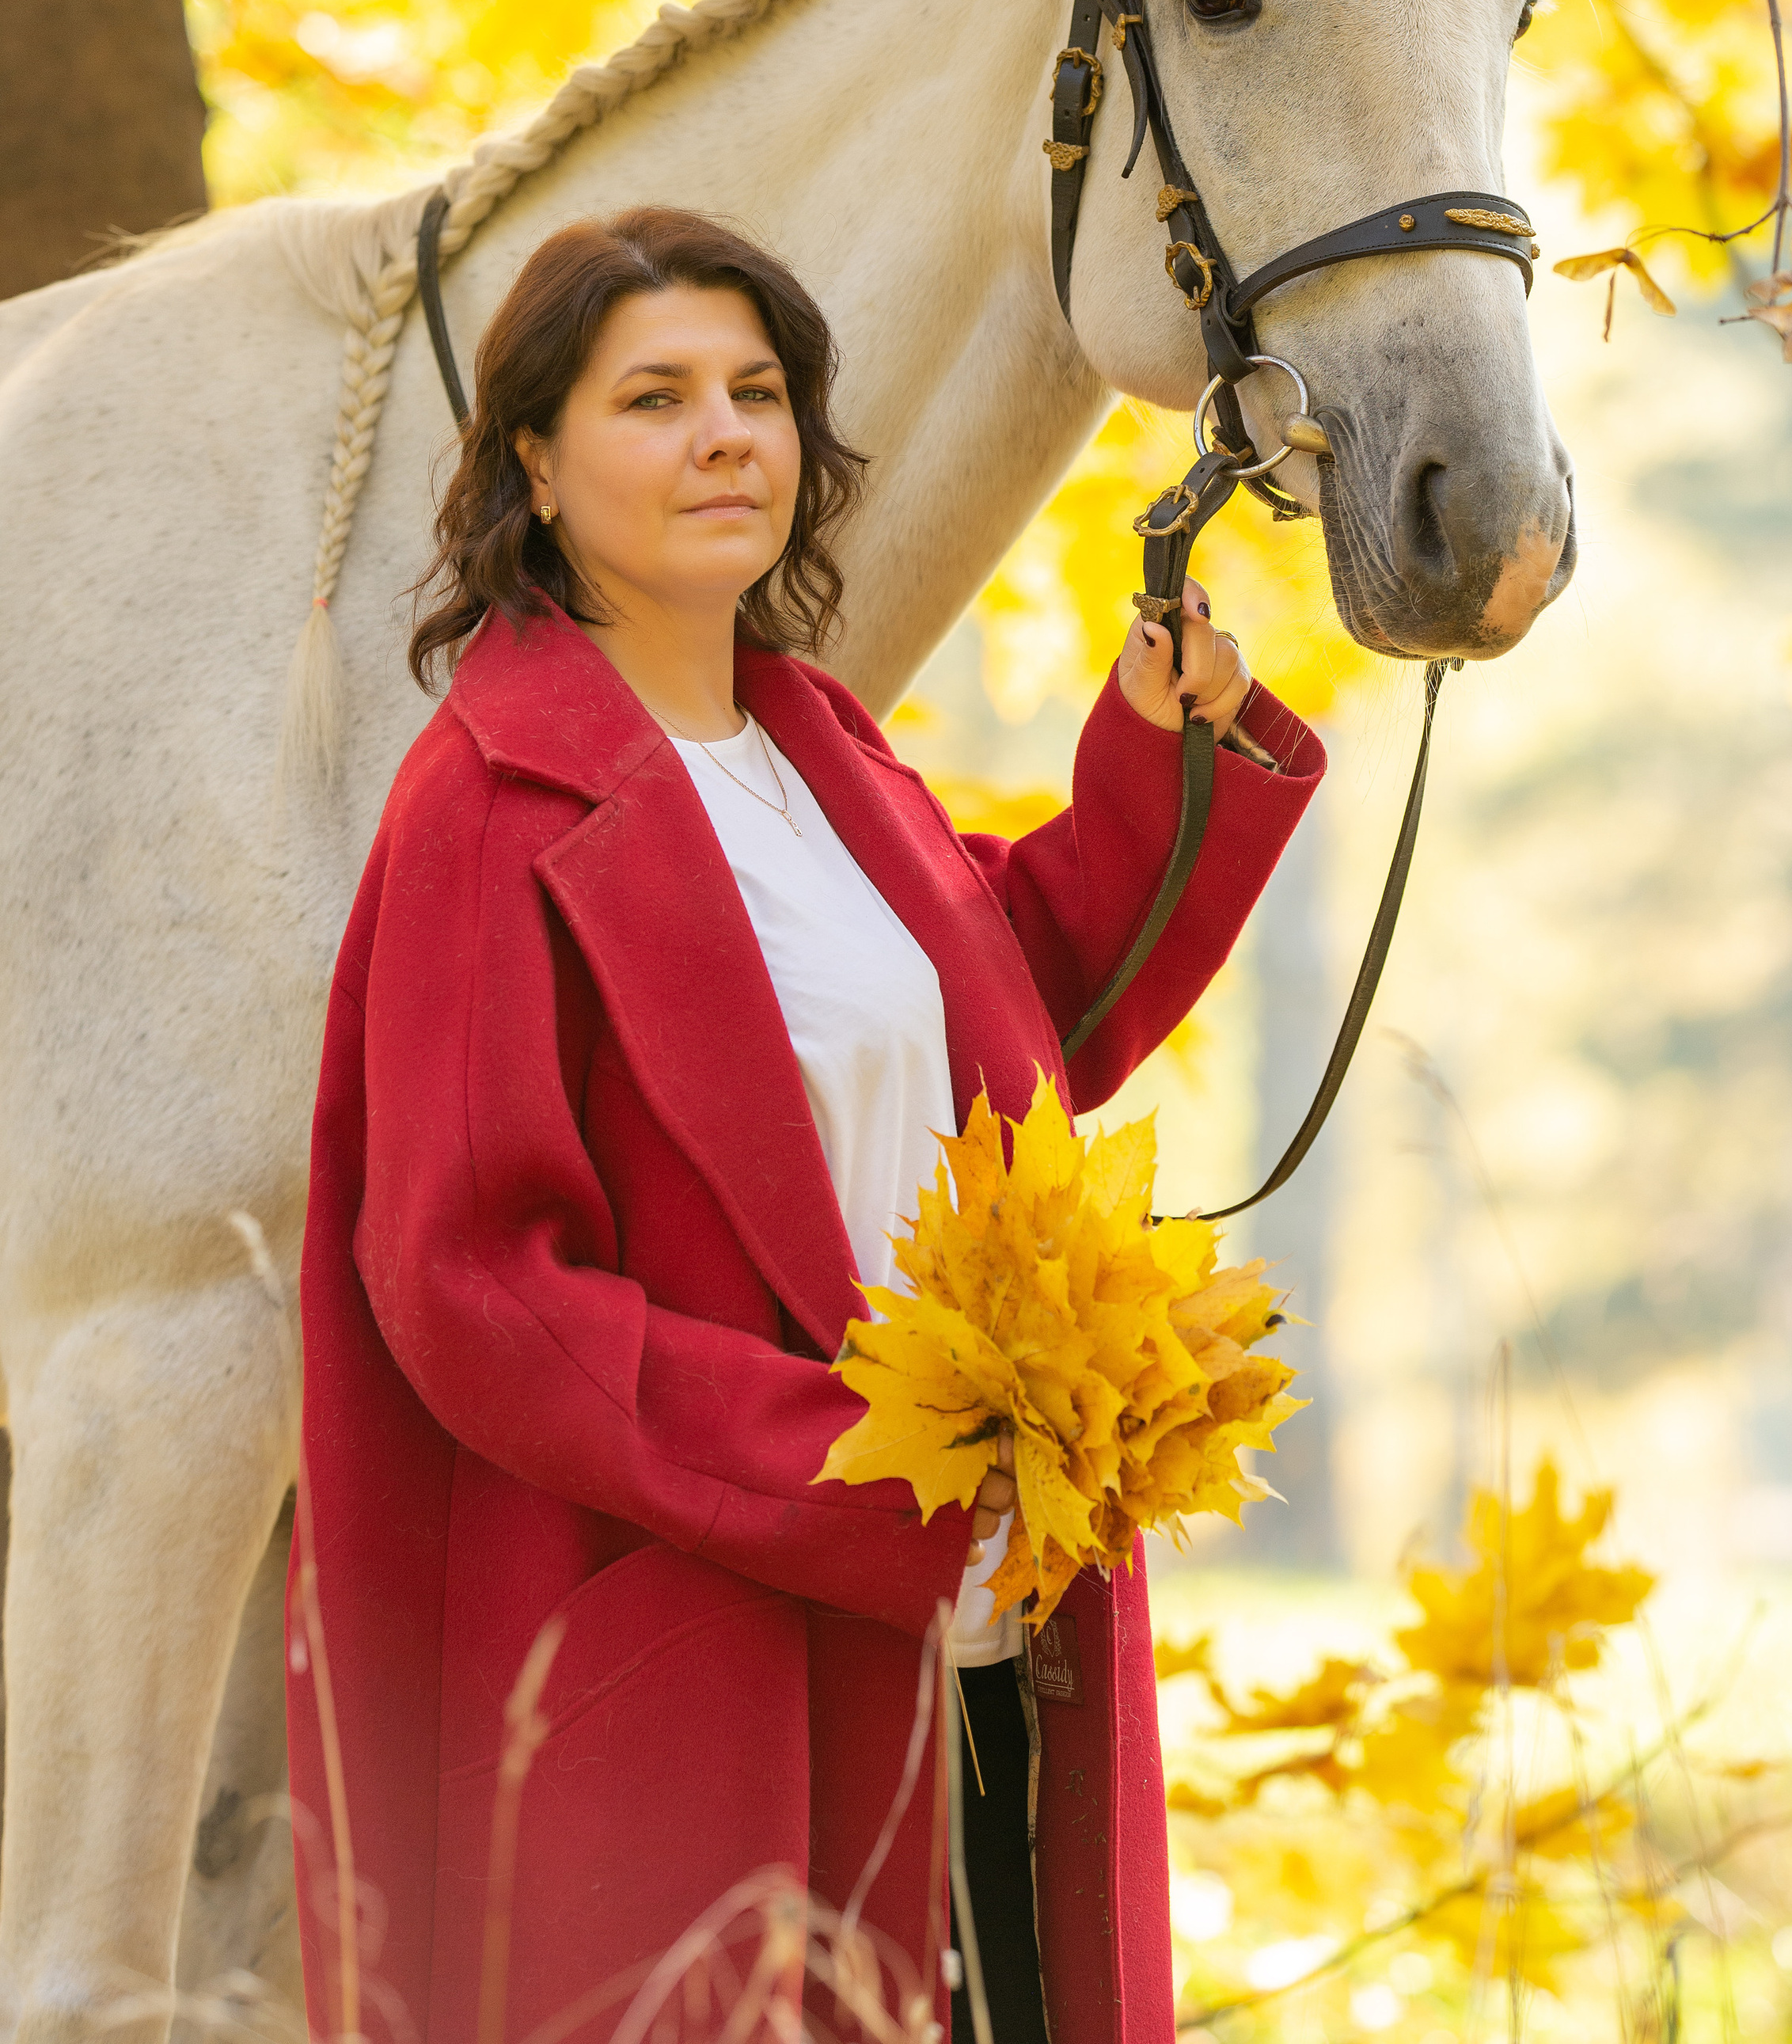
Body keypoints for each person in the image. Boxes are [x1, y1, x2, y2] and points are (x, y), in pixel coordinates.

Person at [290, 206, 1324, 2044]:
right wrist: (859, 1467)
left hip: (991, 1641)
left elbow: (994, 1022)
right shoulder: (488, 801)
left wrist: (1167, 759)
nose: (724, 436)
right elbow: (471, 1283)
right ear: (533, 460)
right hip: (717, 1651)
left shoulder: (815, 746)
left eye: (757, 392)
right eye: (655, 397)